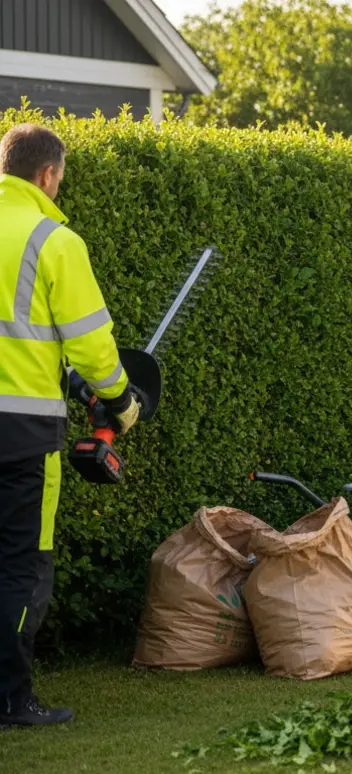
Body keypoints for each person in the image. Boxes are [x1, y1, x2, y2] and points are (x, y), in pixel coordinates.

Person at [0, 124, 140, 728]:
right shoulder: (52, 239)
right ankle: (11, 700)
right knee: (18, 565)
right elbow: (89, 340)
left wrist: (69, 378)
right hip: (20, 433)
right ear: (48, 175)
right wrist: (117, 397)